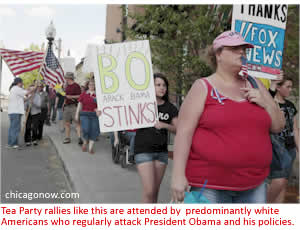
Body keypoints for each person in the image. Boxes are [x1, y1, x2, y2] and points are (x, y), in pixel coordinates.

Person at [171, 31, 285, 203]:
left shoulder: (254, 83)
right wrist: (178, 176)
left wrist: (266, 102)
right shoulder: (203, 87)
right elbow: (184, 133)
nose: (242, 52)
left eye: (244, 49)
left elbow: (278, 126)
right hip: (210, 185)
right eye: (234, 48)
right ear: (218, 54)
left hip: (254, 183)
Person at [134, 73, 178, 203]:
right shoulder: (142, 104)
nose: (162, 88)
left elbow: (179, 129)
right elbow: (122, 115)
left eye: (164, 85)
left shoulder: (170, 108)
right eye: (158, 85)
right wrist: (102, 113)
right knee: (149, 191)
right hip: (143, 151)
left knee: (155, 193)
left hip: (161, 154)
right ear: (150, 87)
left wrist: (164, 125)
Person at [267, 76, 299, 203]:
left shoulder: (291, 105)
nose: (290, 90)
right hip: (276, 147)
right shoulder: (270, 103)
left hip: (290, 148)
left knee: (284, 181)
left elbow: (295, 128)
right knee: (278, 180)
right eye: (288, 86)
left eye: (291, 87)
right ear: (278, 87)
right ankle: (264, 206)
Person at [7, 78, 36, 149]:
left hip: (14, 111)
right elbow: (26, 92)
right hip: (15, 111)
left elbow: (23, 100)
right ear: (18, 83)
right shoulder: (16, 88)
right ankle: (13, 144)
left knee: (13, 128)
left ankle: (11, 143)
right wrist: (33, 88)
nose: (22, 84)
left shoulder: (15, 89)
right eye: (22, 82)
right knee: (15, 128)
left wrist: (30, 96)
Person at [75, 80, 99, 154]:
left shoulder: (98, 95)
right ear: (88, 86)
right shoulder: (84, 94)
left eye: (93, 85)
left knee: (94, 131)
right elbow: (79, 104)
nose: (92, 86)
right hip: (84, 114)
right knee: (86, 129)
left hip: (94, 115)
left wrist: (98, 110)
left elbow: (101, 106)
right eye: (90, 85)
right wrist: (76, 114)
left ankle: (90, 148)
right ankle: (85, 142)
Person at [63, 72, 82, 145]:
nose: (65, 79)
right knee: (67, 123)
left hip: (74, 106)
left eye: (66, 78)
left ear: (69, 78)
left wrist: (71, 97)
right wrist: (64, 103)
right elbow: (66, 96)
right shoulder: (67, 86)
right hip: (67, 106)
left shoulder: (76, 85)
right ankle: (67, 138)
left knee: (77, 122)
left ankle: (79, 138)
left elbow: (80, 96)